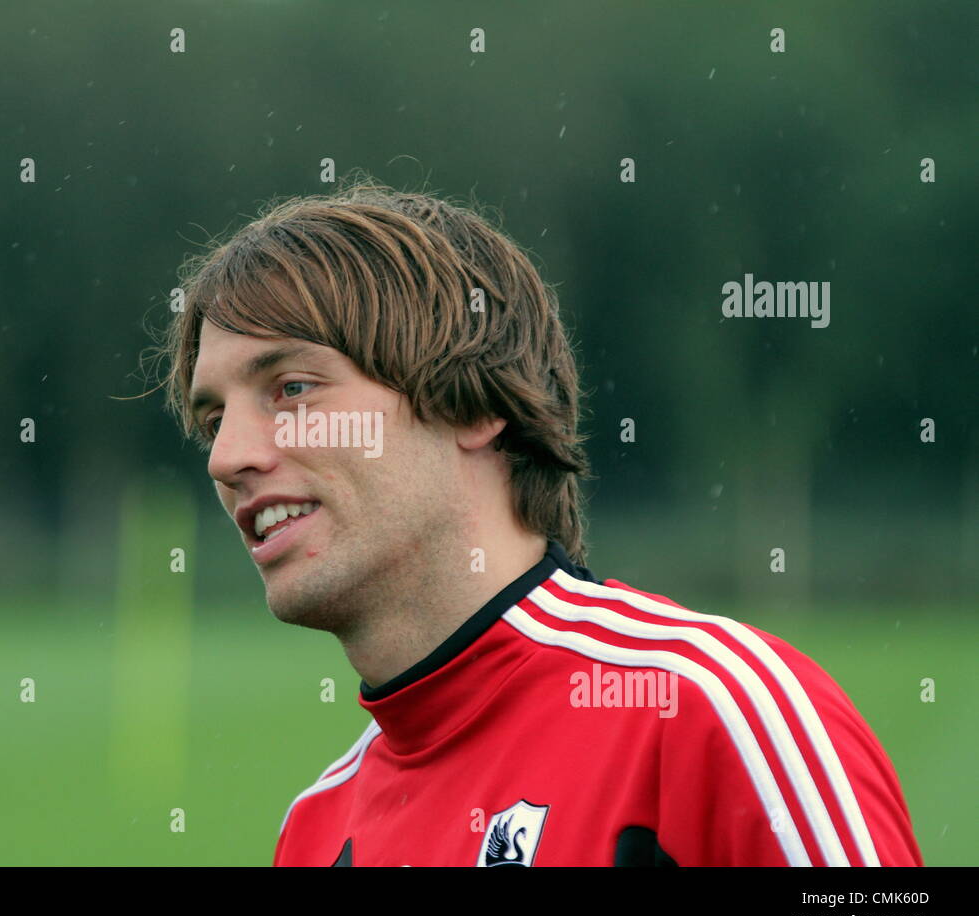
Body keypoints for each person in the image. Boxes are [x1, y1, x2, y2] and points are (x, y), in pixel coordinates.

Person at [158, 176, 923, 866]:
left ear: (473, 405)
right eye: (213, 418)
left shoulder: (709, 711)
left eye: (291, 389)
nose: (227, 458)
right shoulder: (316, 832)